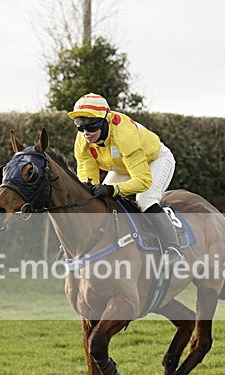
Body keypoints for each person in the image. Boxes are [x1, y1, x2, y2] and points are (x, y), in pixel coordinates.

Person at [68, 93, 184, 266]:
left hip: (155, 160)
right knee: (99, 201)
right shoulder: (83, 140)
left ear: (104, 121)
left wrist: (112, 189)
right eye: (80, 127)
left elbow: (142, 181)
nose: (86, 133)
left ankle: (173, 248)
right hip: (122, 165)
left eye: (91, 127)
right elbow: (87, 179)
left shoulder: (124, 136)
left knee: (145, 200)